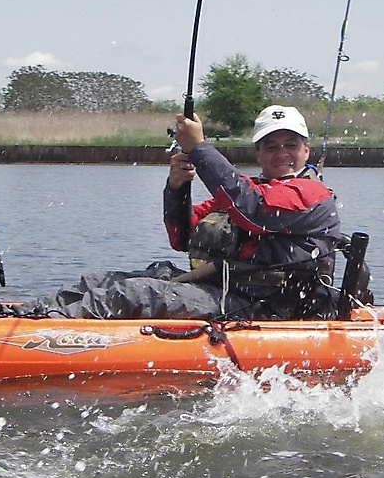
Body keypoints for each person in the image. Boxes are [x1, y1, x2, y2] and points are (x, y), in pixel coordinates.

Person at [29, 105, 345, 320]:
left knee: (135, 294)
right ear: (258, 154)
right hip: (224, 287)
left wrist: (199, 148)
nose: (282, 153)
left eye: (290, 144)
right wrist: (177, 187)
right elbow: (183, 236)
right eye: (271, 146)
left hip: (264, 304)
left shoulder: (312, 194)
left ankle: (42, 332)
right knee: (102, 279)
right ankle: (26, 313)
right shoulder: (250, 188)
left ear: (306, 150)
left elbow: (255, 211)